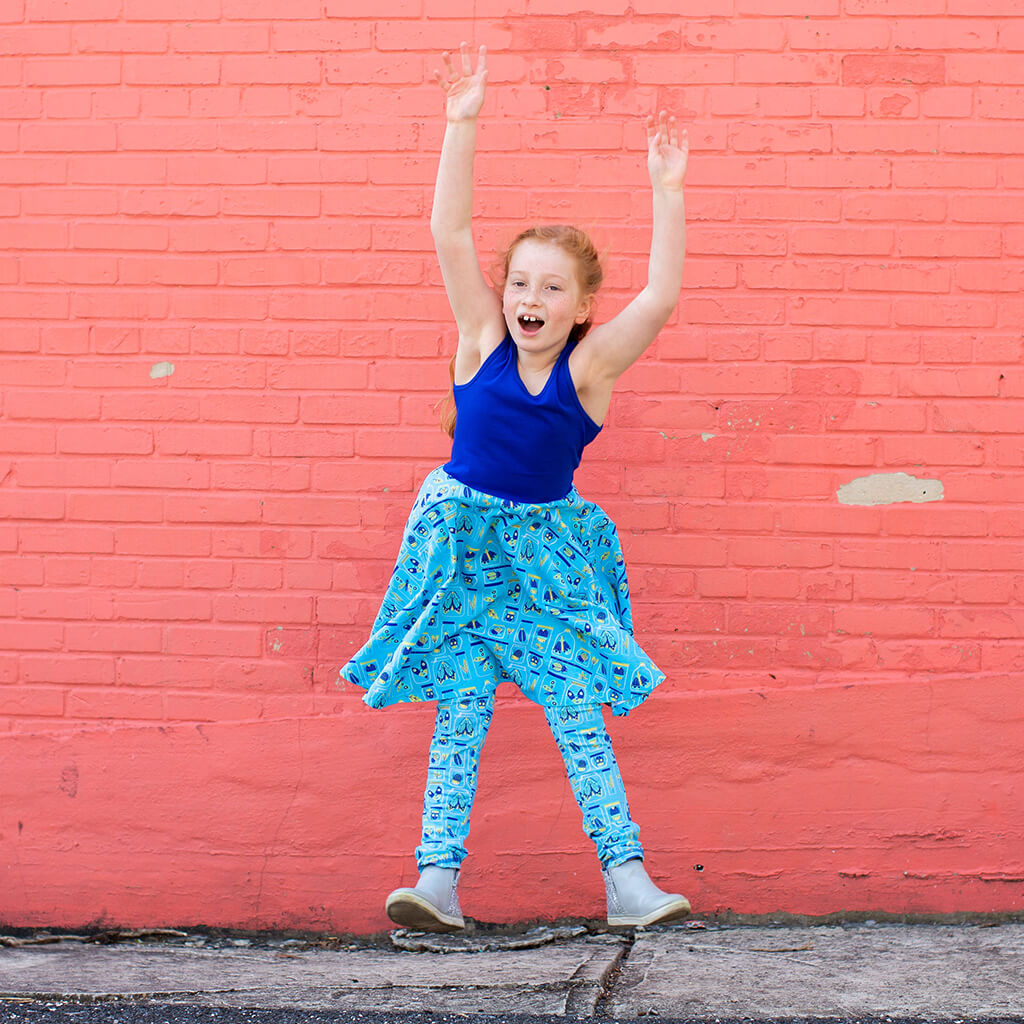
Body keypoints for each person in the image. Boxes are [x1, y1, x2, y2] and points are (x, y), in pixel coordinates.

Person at [340, 43, 690, 932]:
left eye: (553, 288)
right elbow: (448, 234)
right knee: (461, 713)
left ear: (579, 309)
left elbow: (659, 296)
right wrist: (462, 125)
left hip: (541, 563)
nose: (530, 298)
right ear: (505, 296)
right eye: (520, 283)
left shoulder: (592, 369)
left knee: (577, 714)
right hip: (460, 554)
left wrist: (667, 190)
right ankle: (437, 884)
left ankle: (628, 883)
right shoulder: (478, 341)